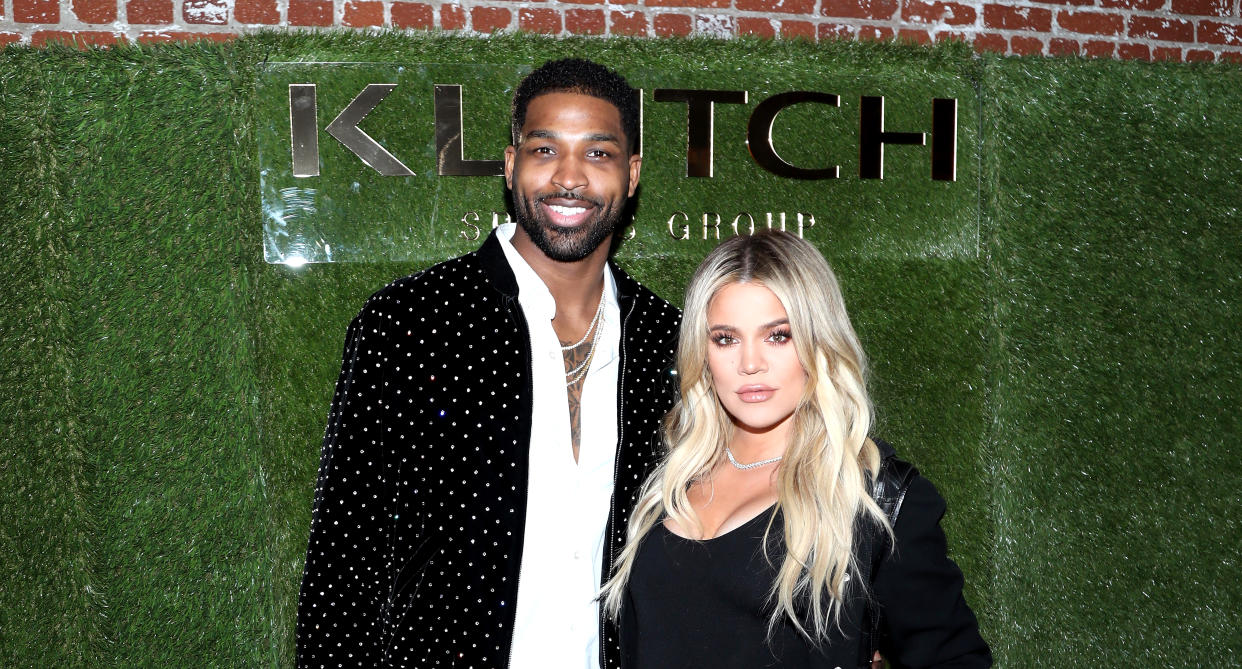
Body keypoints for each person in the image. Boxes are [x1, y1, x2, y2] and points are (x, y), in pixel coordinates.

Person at [295, 58, 681, 669]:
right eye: (545, 149)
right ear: (511, 166)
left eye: (598, 154)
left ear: (631, 175)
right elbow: (345, 561)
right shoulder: (410, 322)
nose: (570, 177)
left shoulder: (667, 341)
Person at [602, 230, 991, 668]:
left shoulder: (873, 500)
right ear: (702, 351)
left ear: (818, 342)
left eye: (778, 336)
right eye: (726, 338)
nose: (750, 364)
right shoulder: (668, 480)